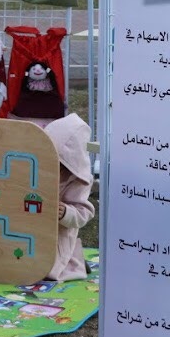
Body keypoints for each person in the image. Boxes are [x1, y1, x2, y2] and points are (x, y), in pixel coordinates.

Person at [42, 113, 96, 281]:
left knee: (51, 268)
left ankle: (74, 260)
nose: (54, 166)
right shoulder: (40, 166)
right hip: (36, 228)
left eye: (59, 162)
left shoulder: (79, 180)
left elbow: (84, 212)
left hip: (59, 235)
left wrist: (66, 212)